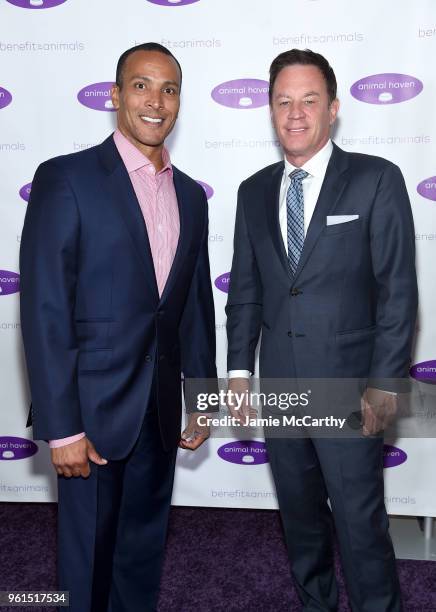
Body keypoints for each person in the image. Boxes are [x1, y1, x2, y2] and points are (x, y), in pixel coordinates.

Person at [20, 42, 217, 612]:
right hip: (90, 419)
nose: (156, 101)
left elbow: (192, 306)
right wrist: (62, 429)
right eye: (141, 85)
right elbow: (46, 310)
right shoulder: (67, 179)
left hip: (157, 415)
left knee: (140, 557)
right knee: (84, 570)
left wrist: (199, 401)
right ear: (114, 96)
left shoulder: (190, 196)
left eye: (169, 89)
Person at [226, 49, 417, 611]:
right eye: (283, 100)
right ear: (269, 109)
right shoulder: (252, 191)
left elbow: (397, 291)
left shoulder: (376, 179)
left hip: (351, 391)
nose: (295, 113)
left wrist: (386, 382)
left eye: (309, 100)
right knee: (301, 520)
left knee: (360, 526)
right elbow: (246, 290)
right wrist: (239, 371)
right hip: (281, 387)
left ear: (332, 108)